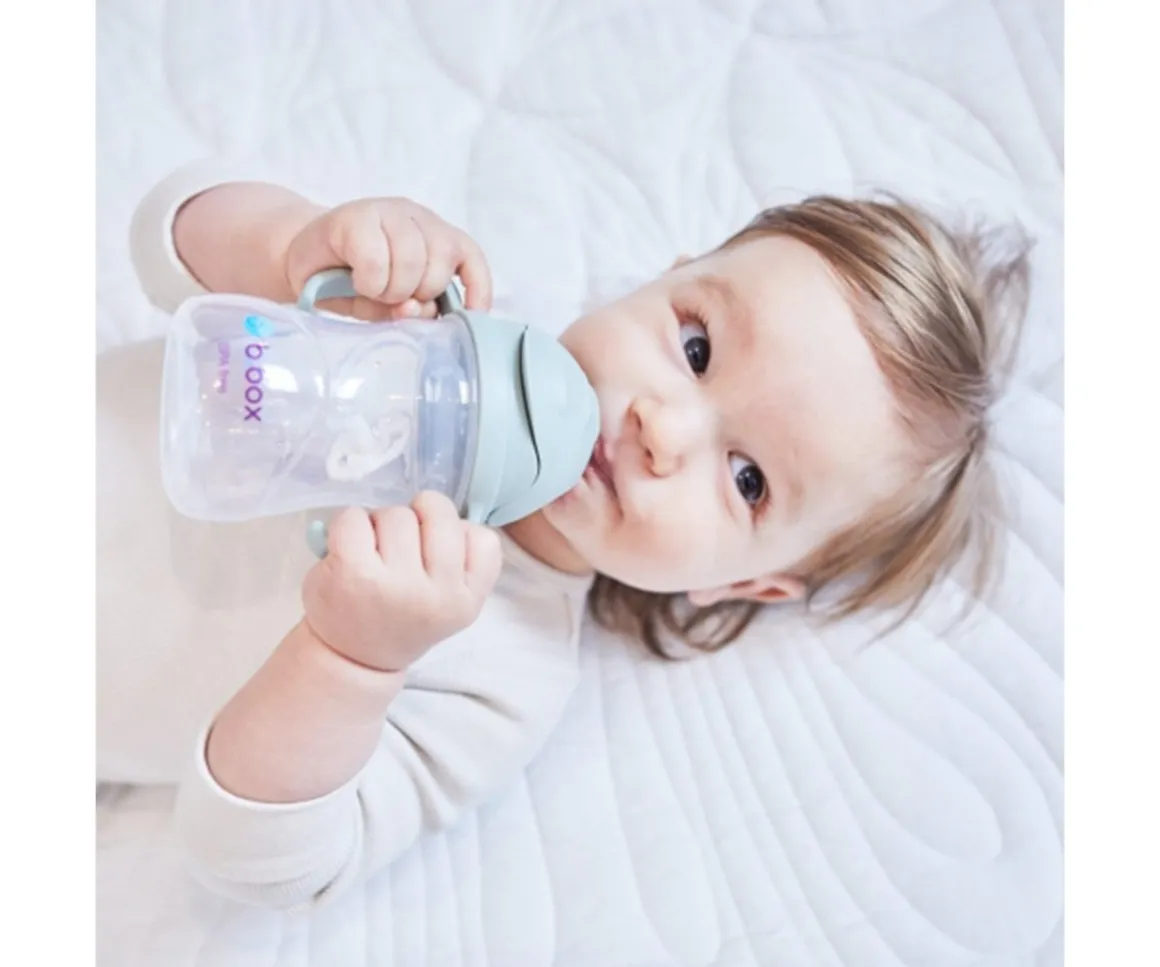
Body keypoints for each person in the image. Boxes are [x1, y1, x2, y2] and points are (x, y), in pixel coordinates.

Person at [99, 160, 1028, 910]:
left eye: (747, 479)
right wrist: (291, 245)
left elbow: (258, 866)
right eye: (696, 347)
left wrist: (350, 662)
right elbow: (162, 235)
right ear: (665, 277)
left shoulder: (507, 677)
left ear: (744, 582)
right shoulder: (426, 313)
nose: (664, 427)